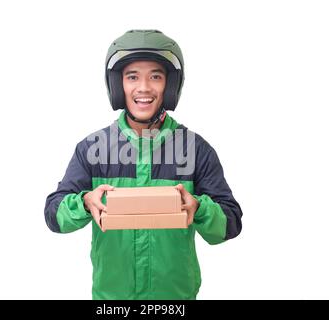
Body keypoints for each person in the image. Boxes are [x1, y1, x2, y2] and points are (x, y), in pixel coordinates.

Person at [44, 29, 243, 300]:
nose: (144, 88)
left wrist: (199, 208)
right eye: (132, 76)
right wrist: (84, 203)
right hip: (112, 301)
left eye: (156, 77)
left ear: (170, 86)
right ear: (118, 85)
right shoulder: (93, 149)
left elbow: (230, 224)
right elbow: (54, 217)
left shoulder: (195, 150)